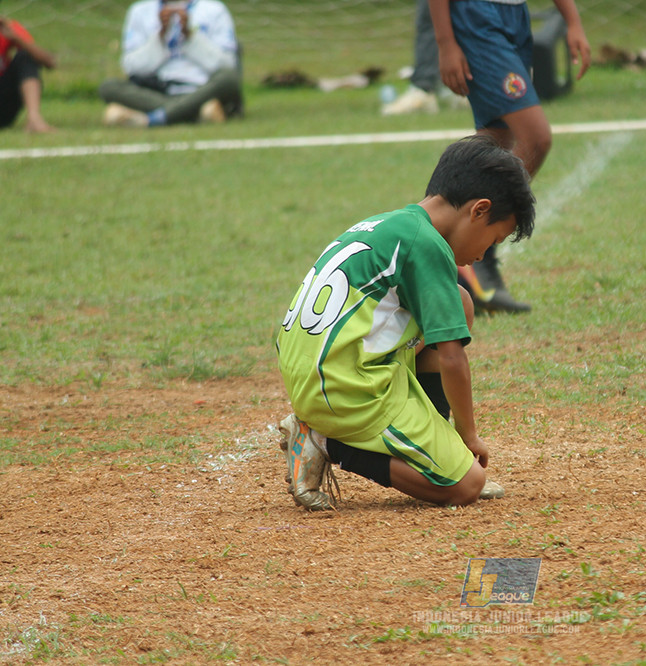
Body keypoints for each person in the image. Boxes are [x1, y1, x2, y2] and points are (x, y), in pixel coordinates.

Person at [276, 136, 536, 510]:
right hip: (346, 388)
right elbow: (451, 358)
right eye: (492, 240)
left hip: (313, 372)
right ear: (479, 210)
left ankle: (427, 444)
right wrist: (469, 435)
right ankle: (325, 442)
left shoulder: (390, 223)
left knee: (459, 301)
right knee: (466, 487)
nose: (481, 256)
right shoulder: (426, 244)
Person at [428, 0, 591, 314]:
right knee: (535, 138)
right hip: (476, 15)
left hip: (516, 16)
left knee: (497, 139)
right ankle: (474, 249)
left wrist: (573, 20)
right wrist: (446, 43)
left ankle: (446, 250)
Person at [99, 0, 242, 127]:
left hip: (201, 89)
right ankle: (196, 114)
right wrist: (160, 37)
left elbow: (228, 64)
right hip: (157, 92)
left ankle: (152, 119)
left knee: (228, 78)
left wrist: (190, 36)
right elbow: (132, 67)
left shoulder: (215, 9)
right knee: (108, 87)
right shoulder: (140, 11)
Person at [0, 13, 57, 133]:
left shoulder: (6, 28)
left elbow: (50, 63)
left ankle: (34, 119)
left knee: (25, 56)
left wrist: (16, 38)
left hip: (4, 104)